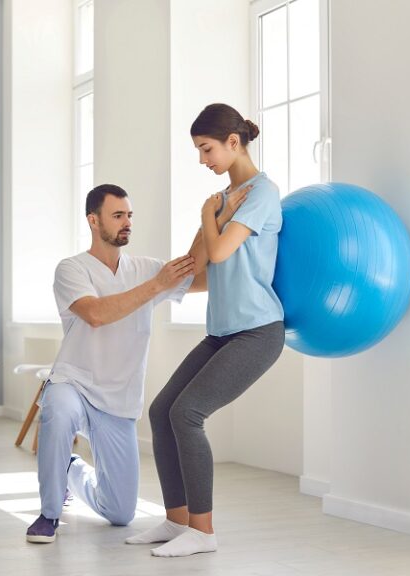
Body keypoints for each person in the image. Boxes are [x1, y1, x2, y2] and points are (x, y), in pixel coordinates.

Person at [125, 103, 285, 557]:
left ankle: (203, 530)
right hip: (223, 332)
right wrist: (213, 213)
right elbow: (198, 262)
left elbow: (219, 254)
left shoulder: (263, 193)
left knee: (187, 414)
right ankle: (177, 522)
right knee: (161, 411)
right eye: (199, 150)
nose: (203, 160)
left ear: (234, 142)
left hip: (258, 331)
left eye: (206, 149)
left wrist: (207, 214)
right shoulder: (223, 200)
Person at [26, 183, 204, 543]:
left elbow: (199, 274)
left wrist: (211, 223)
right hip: (73, 382)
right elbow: (95, 314)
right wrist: (156, 286)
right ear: (94, 220)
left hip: (118, 399)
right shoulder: (71, 269)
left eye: (129, 216)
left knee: (121, 514)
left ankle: (72, 470)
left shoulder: (146, 269)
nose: (127, 223)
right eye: (118, 215)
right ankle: (49, 514)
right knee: (58, 413)